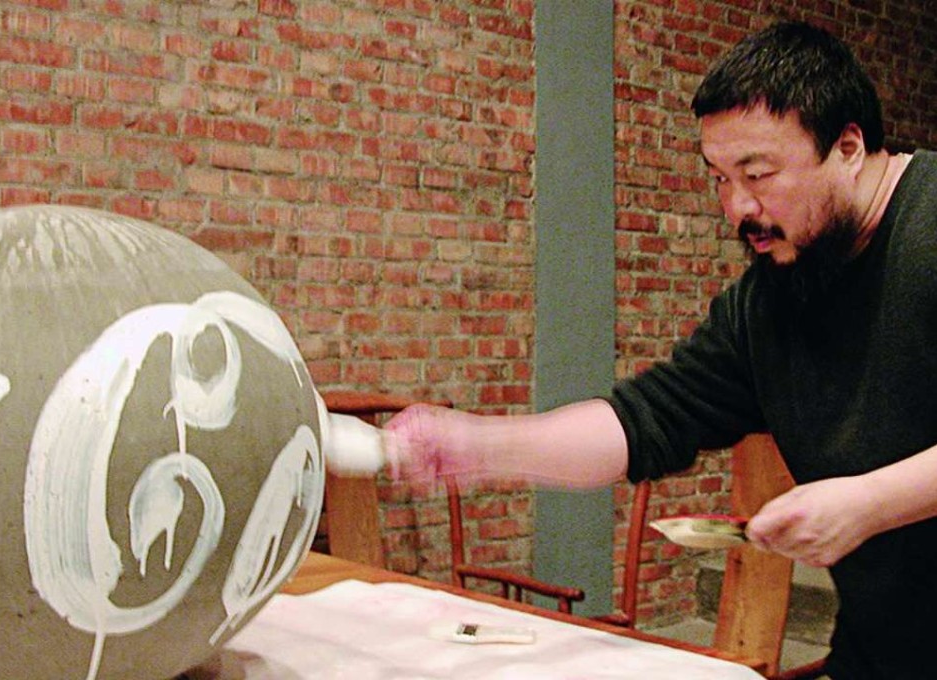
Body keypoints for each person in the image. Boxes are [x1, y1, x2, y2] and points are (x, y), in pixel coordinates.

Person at [383, 20, 937, 680]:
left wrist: (868, 503)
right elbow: (640, 420)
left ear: (848, 146)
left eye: (757, 174)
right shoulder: (771, 300)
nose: (737, 207)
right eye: (720, 178)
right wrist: (478, 446)